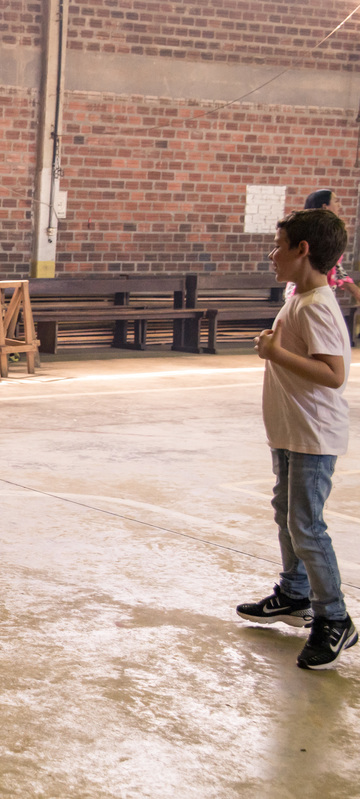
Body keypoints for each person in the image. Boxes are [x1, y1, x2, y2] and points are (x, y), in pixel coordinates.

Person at [236, 208, 357, 670]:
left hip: (313, 437)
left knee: (307, 527)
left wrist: (275, 353)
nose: (272, 253)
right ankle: (294, 594)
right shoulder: (301, 298)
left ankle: (335, 618)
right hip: (291, 433)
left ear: (302, 250)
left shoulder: (318, 305)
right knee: (287, 515)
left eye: (279, 244)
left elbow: (333, 374)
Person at [285, 189, 360, 306]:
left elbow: (335, 267)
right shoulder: (316, 233)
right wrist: (354, 290)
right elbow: (330, 265)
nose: (339, 205)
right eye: (335, 201)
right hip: (308, 292)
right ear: (325, 206)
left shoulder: (323, 230)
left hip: (318, 293)